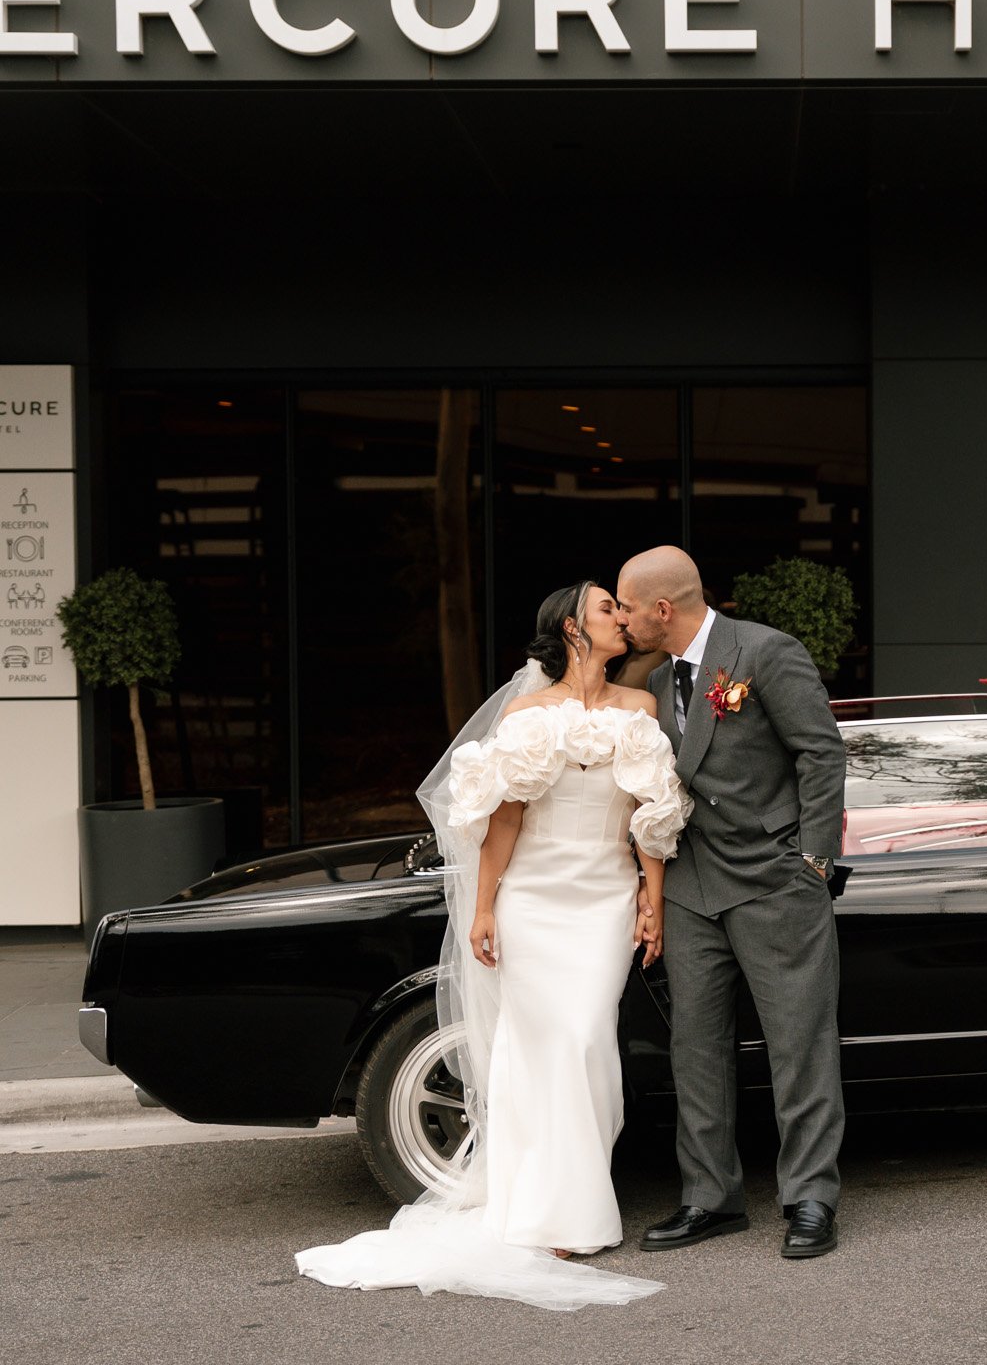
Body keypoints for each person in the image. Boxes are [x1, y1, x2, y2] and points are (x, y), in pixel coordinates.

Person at [293, 579, 691, 1310]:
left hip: (602, 900)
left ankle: (565, 1197)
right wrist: (483, 909)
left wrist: (651, 901)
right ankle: (552, 1211)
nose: (622, 619)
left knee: (585, 1040)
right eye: (607, 609)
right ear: (573, 629)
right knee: (540, 1047)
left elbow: (652, 816)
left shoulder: (639, 709)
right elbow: (501, 820)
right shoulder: (526, 714)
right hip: (532, 902)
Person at [615, 546, 847, 1261]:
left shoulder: (765, 652)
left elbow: (820, 752)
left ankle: (809, 1196)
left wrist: (812, 858)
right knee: (696, 1048)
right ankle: (708, 1198)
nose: (620, 619)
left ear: (662, 609)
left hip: (775, 881)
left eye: (626, 606)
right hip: (690, 887)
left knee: (797, 1045)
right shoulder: (653, 679)